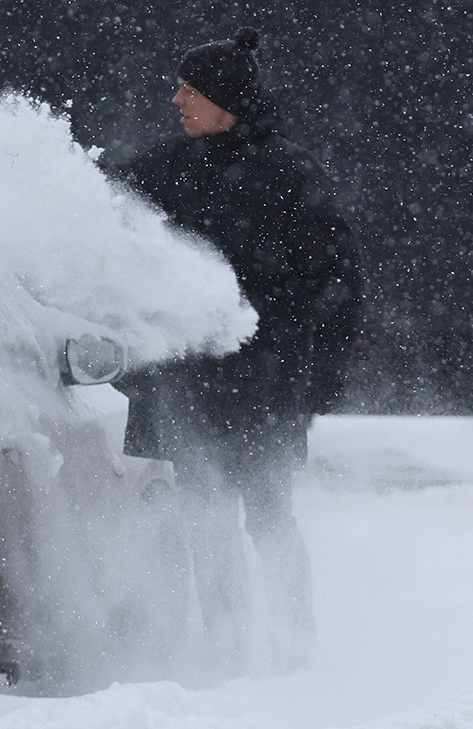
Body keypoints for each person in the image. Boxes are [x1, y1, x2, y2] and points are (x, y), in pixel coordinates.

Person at [108, 27, 359, 674]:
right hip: (189, 386)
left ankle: (293, 649)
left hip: (267, 386)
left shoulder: (290, 174)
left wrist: (320, 379)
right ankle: (225, 651)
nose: (176, 100)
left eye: (188, 89)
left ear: (225, 99)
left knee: (269, 514)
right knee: (206, 516)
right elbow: (100, 211)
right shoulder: (167, 167)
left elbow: (338, 282)